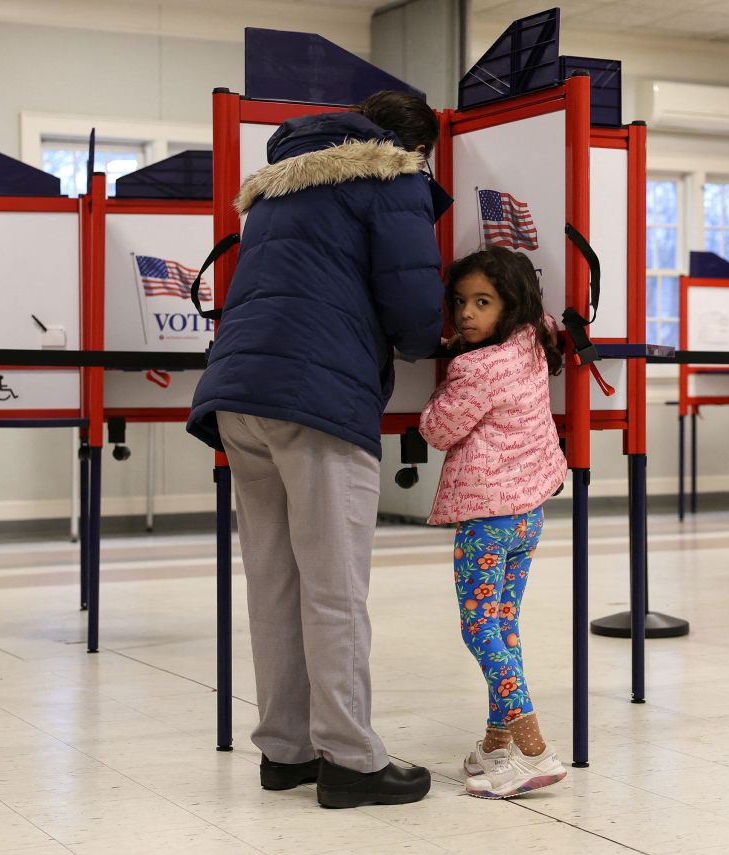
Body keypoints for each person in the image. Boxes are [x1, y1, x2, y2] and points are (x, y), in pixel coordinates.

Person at [187, 90, 444, 809]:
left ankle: (287, 749)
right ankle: (352, 760)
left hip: (238, 391)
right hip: (316, 397)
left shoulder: (281, 184)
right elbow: (415, 307)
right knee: (334, 588)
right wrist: (442, 341)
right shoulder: (392, 176)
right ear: (412, 144)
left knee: (274, 582)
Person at [418, 246, 569, 799]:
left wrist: (446, 374)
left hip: (486, 518)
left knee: (478, 627)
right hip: (529, 514)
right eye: (460, 302)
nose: (465, 314)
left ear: (508, 306)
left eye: (482, 302)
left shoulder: (474, 367)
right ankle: (496, 743)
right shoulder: (535, 337)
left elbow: (437, 430)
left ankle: (532, 749)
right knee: (503, 624)